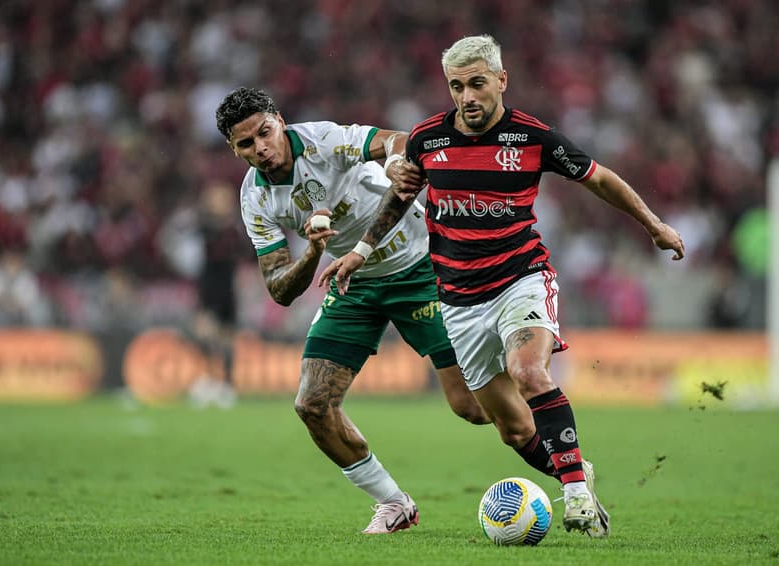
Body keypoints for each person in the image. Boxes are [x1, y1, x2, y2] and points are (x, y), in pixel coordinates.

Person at [321, 35, 686, 538]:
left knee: (528, 370)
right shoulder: (427, 139)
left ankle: (576, 495)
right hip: (459, 301)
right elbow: (400, 198)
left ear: (500, 81)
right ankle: (574, 465)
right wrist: (360, 251)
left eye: (476, 84)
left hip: (521, 279)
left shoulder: (533, 137)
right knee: (507, 426)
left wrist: (653, 225)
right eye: (456, 87)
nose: (467, 97)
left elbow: (600, 179)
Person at [214, 87, 489, 535]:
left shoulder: (323, 140)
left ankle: (555, 437)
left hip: (419, 265)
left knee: (473, 408)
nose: (260, 148)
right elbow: (279, 289)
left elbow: (396, 139)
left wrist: (398, 160)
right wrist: (312, 252)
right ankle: (394, 503)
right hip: (351, 279)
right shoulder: (255, 198)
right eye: (246, 144)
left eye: (264, 133)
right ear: (234, 148)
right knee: (312, 404)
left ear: (279, 121)